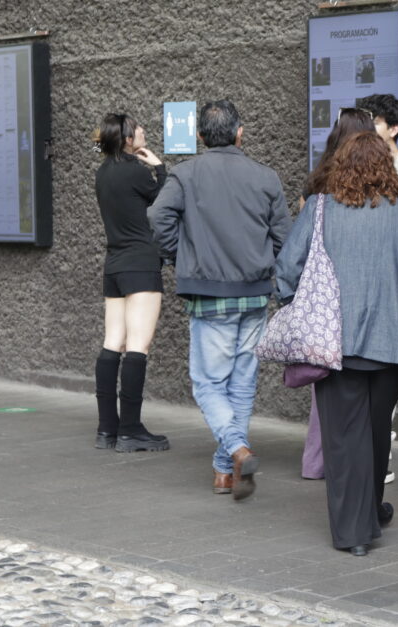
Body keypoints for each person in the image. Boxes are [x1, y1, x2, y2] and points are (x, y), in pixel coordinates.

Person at [276, 132, 398, 556]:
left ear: (341, 167)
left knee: (342, 439)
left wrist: (298, 311)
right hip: (394, 347)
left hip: (333, 343)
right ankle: (371, 510)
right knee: (375, 434)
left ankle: (354, 532)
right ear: (388, 170)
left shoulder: (318, 211)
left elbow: (285, 272)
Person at [148, 100, 291, 500]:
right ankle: (224, 471)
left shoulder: (185, 174)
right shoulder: (266, 177)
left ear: (199, 137)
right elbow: (284, 239)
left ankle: (236, 450)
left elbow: (157, 220)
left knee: (208, 383)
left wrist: (182, 256)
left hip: (208, 295)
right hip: (255, 295)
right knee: (242, 386)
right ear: (240, 132)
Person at [299, 107, 377, 480]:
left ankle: (316, 461)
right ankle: (359, 461)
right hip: (365, 293)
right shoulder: (377, 181)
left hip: (324, 293)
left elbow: (301, 240)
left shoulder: (317, 182)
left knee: (325, 384)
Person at [93, 113, 170, 453]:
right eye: (137, 127)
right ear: (126, 138)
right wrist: (160, 166)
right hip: (140, 264)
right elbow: (163, 201)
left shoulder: (102, 173)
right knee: (138, 345)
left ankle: (107, 428)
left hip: (114, 265)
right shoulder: (137, 172)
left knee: (113, 342)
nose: (142, 130)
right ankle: (131, 429)